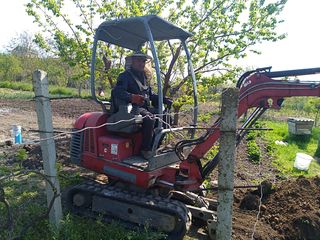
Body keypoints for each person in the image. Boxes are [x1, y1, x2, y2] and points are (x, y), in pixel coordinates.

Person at [112, 52, 172, 159]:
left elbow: (150, 94)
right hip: (131, 109)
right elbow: (117, 91)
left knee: (166, 118)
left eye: (143, 61)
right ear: (132, 62)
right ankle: (145, 149)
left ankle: (155, 146)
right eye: (139, 60)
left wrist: (163, 99)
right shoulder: (125, 76)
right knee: (149, 118)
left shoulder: (143, 77)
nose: (141, 63)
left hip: (144, 108)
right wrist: (132, 97)